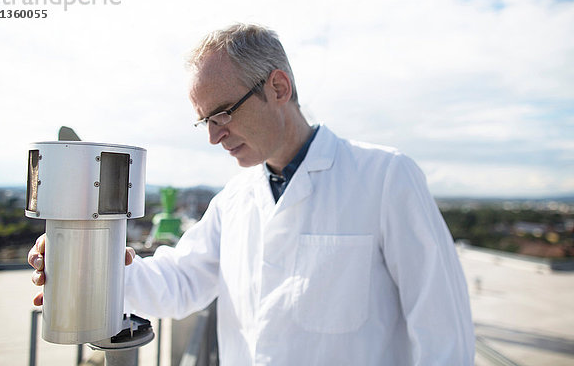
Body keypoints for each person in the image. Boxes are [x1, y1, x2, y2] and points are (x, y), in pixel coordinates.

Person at [29, 23, 475, 365]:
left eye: (222, 113)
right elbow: (180, 283)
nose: (214, 136)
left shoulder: (385, 178)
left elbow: (443, 332)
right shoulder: (234, 201)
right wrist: (87, 266)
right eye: (206, 120)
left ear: (278, 88)